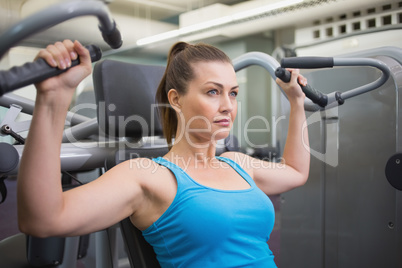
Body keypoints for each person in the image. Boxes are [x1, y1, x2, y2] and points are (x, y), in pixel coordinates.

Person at [17, 39, 310, 267]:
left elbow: (297, 172)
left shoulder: (236, 163)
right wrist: (52, 100)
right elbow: (43, 219)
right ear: (176, 100)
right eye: (212, 91)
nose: (228, 106)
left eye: (232, 93)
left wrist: (296, 104)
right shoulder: (151, 177)